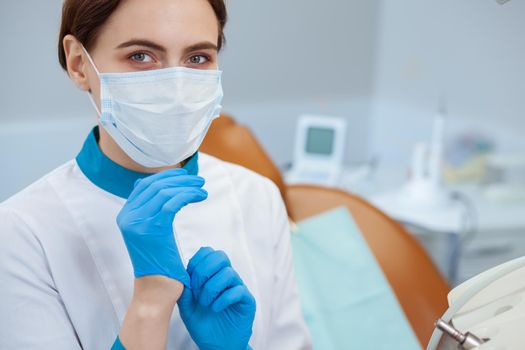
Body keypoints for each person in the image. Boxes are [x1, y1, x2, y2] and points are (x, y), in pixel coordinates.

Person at [0, 0, 312, 349]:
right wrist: (149, 305)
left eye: (197, 58)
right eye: (141, 56)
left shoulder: (257, 196)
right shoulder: (22, 231)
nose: (176, 90)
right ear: (78, 64)